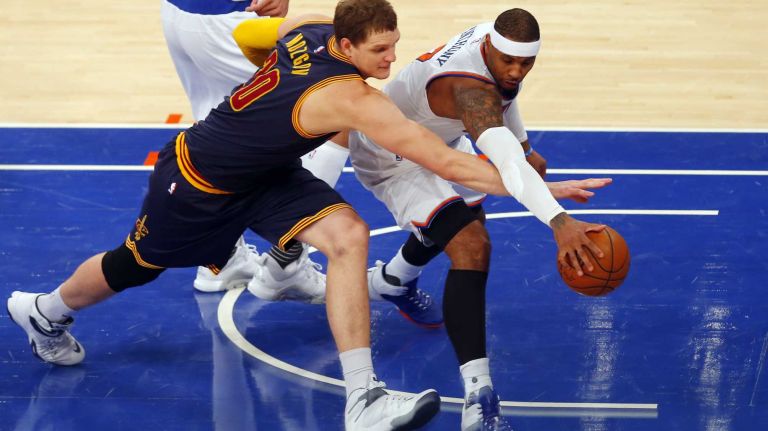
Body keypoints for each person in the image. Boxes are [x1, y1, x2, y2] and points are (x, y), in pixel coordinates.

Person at [4, 0, 554, 427]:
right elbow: (441, 160)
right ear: (346, 45)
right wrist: (534, 191)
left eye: (395, 46)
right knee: (134, 266)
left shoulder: (312, 34)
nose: (392, 60)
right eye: (381, 51)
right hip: (198, 182)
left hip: (264, 176)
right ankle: (44, 310)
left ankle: (364, 397)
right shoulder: (351, 98)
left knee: (348, 234)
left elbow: (262, 33)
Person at [340, 8, 609, 430]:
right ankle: (478, 397)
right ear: (489, 49)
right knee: (471, 244)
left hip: (438, 138)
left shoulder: (496, 40)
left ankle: (394, 280)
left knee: (468, 217)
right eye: (510, 62)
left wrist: (523, 142)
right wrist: (559, 221)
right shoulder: (469, 91)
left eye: (527, 63)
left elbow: (506, 93)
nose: (517, 71)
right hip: (392, 155)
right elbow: (506, 160)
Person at [161, 0, 348, 303]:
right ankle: (287, 263)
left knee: (220, 115)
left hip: (179, 14)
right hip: (229, 20)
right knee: (336, 105)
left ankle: (220, 259)